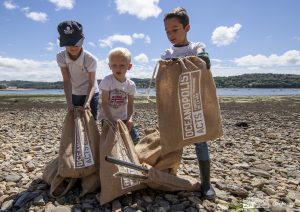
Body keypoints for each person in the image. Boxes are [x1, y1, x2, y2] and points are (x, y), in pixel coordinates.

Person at [161, 7, 215, 200]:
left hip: (194, 105)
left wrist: (203, 57)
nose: (170, 35)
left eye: (175, 30)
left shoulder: (195, 47)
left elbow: (203, 56)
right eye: (167, 31)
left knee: (201, 142)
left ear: (187, 28)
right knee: (172, 140)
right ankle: (168, 176)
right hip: (176, 106)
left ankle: (206, 184)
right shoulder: (167, 54)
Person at [56, 20, 99, 120]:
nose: (73, 47)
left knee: (90, 121)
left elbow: (91, 84)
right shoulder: (61, 57)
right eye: (69, 43)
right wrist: (69, 103)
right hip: (74, 93)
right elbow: (66, 81)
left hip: (91, 93)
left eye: (76, 43)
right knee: (75, 121)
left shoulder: (90, 59)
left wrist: (87, 102)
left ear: (82, 40)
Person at [99, 47, 140, 144]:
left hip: (124, 118)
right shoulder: (107, 81)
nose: (118, 68)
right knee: (110, 142)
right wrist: (111, 120)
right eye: (114, 65)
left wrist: (130, 119)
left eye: (122, 65)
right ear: (110, 66)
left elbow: (130, 105)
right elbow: (104, 103)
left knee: (134, 140)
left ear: (129, 66)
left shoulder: (130, 84)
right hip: (108, 118)